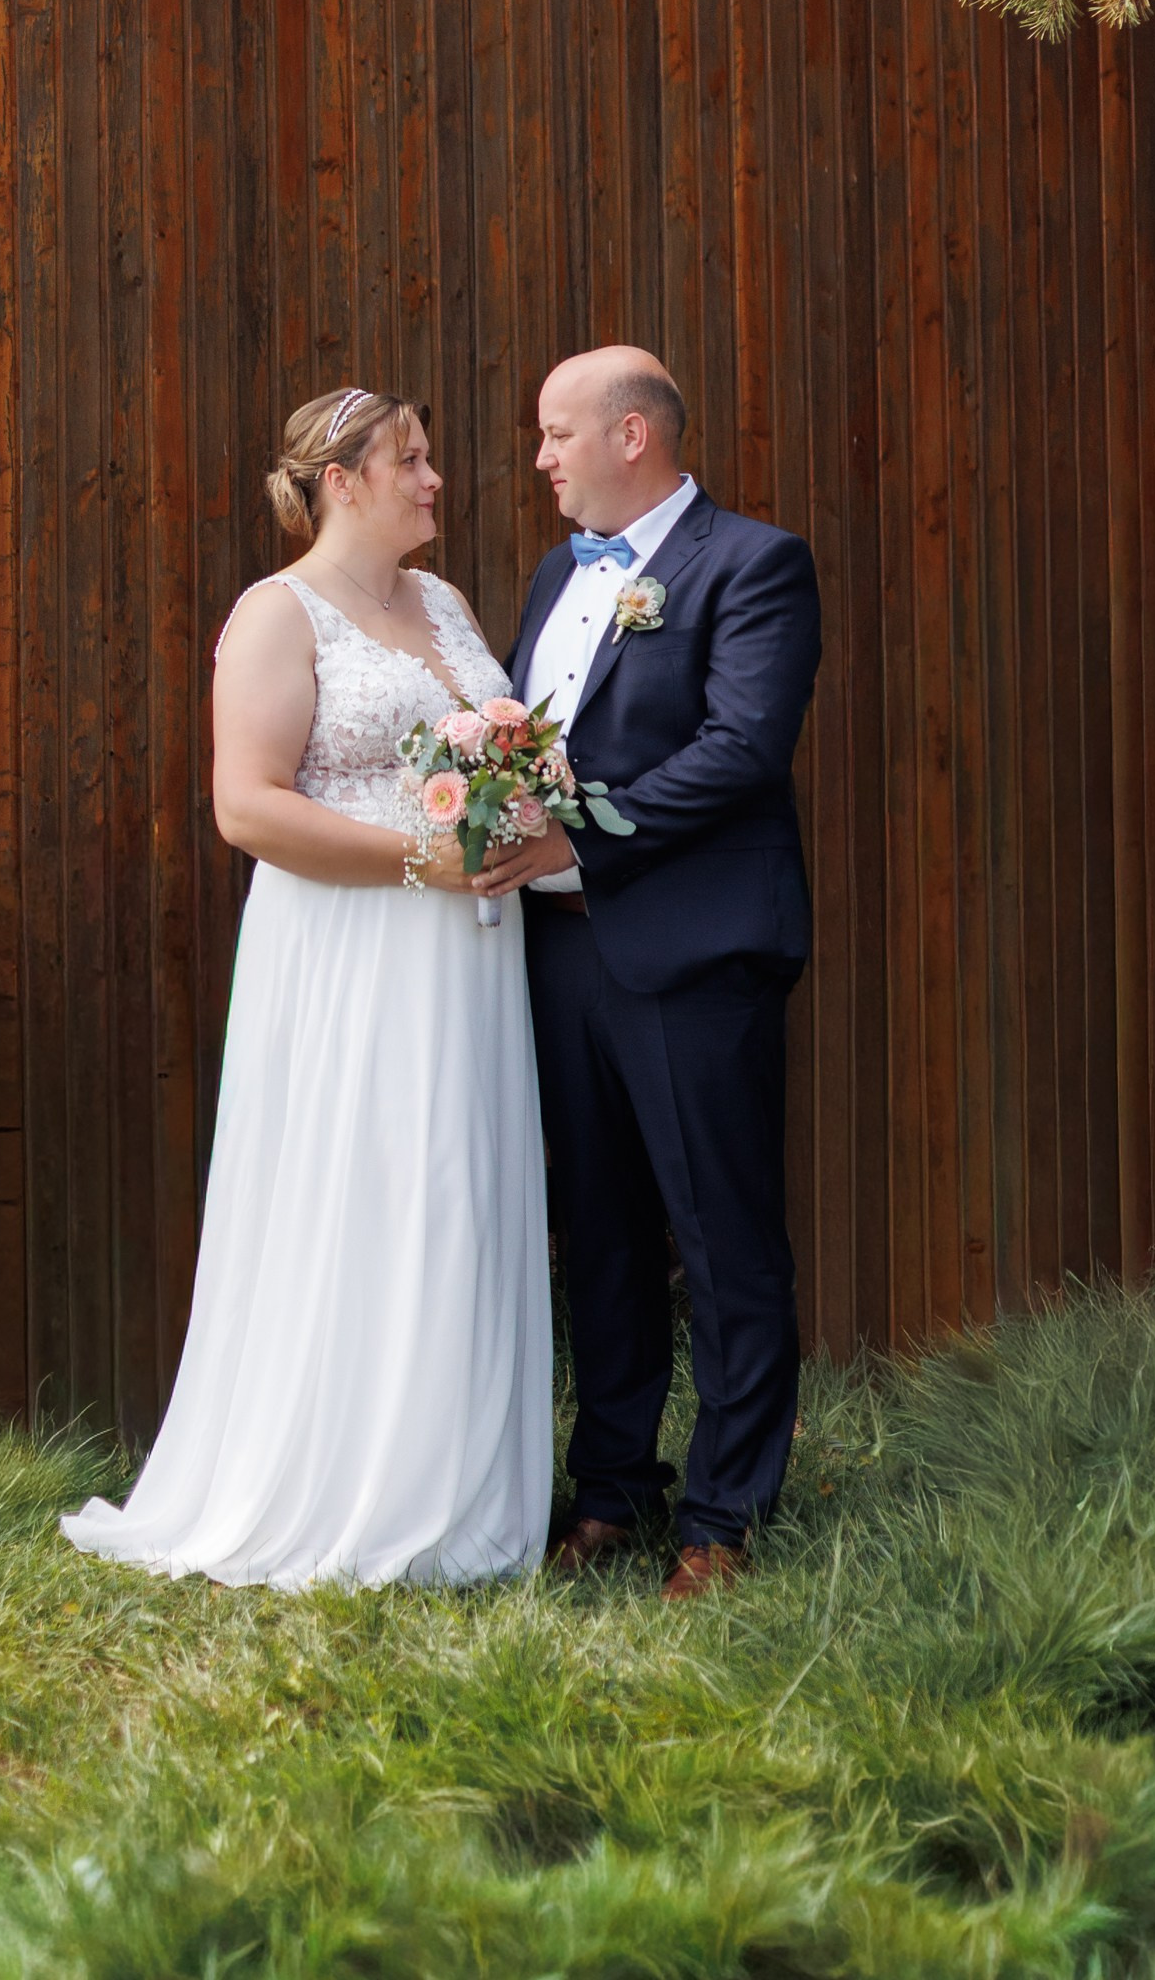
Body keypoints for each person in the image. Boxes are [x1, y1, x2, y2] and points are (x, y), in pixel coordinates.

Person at [61, 388, 552, 1588]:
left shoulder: (444, 603)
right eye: (410, 460)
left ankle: (454, 1491)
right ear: (341, 480)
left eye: (429, 458)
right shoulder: (275, 614)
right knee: (358, 1188)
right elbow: (247, 807)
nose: (434, 479)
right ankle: (335, 1486)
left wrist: (520, 818)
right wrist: (416, 857)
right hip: (347, 949)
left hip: (466, 956)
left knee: (453, 1188)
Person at [475, 346, 821, 1599]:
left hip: (692, 951)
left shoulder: (753, 564)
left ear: (632, 434)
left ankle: (723, 1514)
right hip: (561, 953)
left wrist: (578, 835)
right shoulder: (551, 576)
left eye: (555, 432)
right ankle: (612, 1489)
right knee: (602, 1234)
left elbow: (740, 748)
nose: (539, 457)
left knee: (721, 1237)